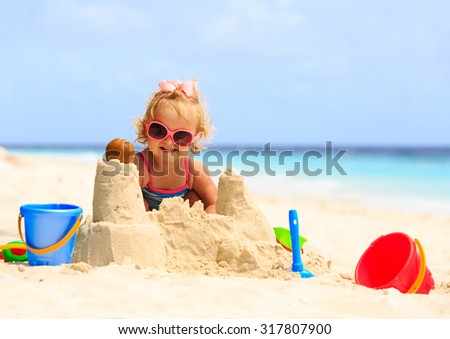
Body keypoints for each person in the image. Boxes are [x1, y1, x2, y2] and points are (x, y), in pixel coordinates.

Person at [133, 79, 217, 214]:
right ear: (145, 129)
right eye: (159, 130)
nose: (169, 142)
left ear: (195, 139)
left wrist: (209, 221)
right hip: (145, 220)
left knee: (195, 199)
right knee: (137, 201)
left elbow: (214, 202)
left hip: (180, 220)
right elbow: (122, 200)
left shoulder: (192, 170)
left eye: (181, 136)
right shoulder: (139, 166)